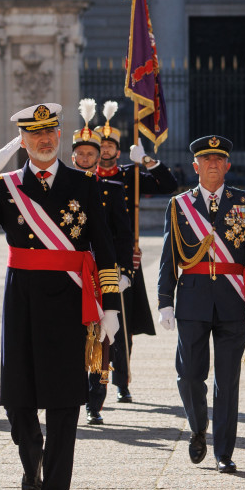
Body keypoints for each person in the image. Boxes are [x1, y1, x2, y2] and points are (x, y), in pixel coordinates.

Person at [0, 102, 123, 490]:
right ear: (24, 141)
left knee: (66, 404)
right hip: (23, 301)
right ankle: (31, 458)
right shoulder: (7, 185)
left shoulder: (84, 184)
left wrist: (109, 306)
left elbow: (102, 245)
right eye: (35, 135)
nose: (45, 140)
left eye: (51, 132)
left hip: (71, 303)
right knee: (19, 401)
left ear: (59, 135)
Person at [157, 135, 245, 474]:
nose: (212, 164)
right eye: (205, 159)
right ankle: (198, 428)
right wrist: (165, 301)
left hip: (232, 298)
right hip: (192, 297)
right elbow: (168, 257)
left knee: (228, 379)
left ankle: (224, 451)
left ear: (227, 165)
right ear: (195, 166)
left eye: (218, 159)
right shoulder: (179, 205)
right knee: (190, 375)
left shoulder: (243, 201)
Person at [94, 100, 179, 403]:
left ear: (118, 151)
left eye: (110, 147)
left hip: (124, 259)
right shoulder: (85, 177)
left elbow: (169, 184)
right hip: (91, 258)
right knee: (95, 320)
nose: (104, 151)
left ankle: (122, 379)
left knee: (124, 321)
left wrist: (146, 161)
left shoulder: (130, 175)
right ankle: (95, 380)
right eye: (100, 146)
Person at [71, 99, 134, 426]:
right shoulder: (61, 187)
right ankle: (73, 391)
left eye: (90, 154)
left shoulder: (110, 187)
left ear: (99, 158)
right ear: (72, 157)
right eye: (80, 154)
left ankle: (96, 399)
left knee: (103, 333)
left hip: (102, 270)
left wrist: (126, 271)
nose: (85, 159)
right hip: (69, 271)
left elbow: (122, 234)